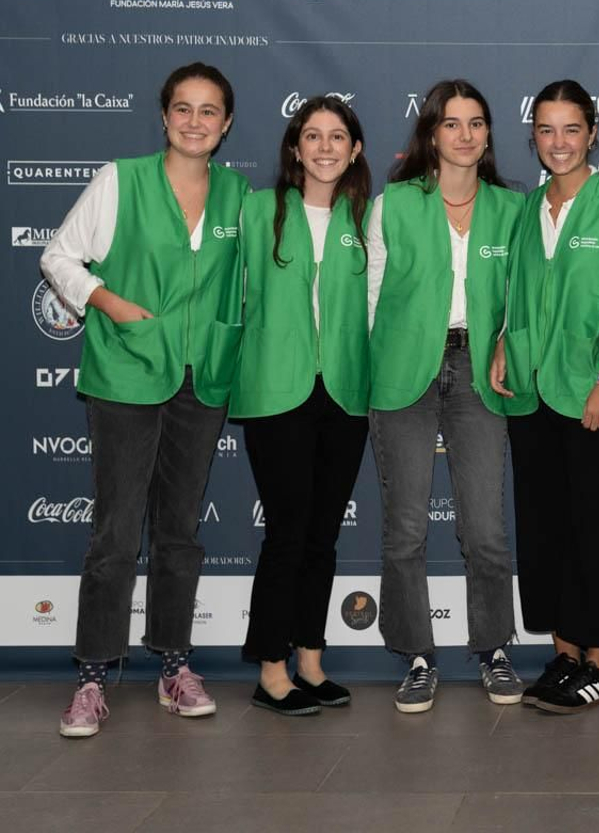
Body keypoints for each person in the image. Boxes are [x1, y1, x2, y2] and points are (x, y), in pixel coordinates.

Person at [45, 61, 248, 738]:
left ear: (226, 124)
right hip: (127, 374)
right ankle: (93, 675)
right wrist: (112, 303)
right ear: (164, 116)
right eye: (183, 108)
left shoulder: (238, 195)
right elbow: (60, 257)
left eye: (209, 110)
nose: (195, 121)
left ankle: (175, 666)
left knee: (179, 531)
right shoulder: (120, 179)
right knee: (115, 530)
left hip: (200, 380)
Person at [367, 79, 528, 714]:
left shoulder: (512, 209)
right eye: (452, 123)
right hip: (405, 371)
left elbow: (523, 296)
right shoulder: (395, 204)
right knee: (404, 527)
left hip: (480, 374)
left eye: (477, 123)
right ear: (431, 133)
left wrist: (509, 341)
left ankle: (493, 647)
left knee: (485, 527)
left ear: (489, 134)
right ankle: (415, 656)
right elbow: (372, 295)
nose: (465, 135)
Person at [492, 79, 599, 713]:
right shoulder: (523, 209)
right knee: (543, 527)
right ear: (533, 136)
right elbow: (516, 290)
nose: (559, 143)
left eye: (572, 130)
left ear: (593, 134)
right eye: (547, 130)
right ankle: (564, 656)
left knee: (596, 528)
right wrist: (505, 340)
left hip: (595, 394)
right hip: (531, 395)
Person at [232, 95, 372, 716]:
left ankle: (311, 660)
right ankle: (270, 668)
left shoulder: (366, 217)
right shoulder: (257, 210)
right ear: (295, 148)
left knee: (323, 535)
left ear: (355, 149)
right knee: (287, 532)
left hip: (344, 392)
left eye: (336, 136)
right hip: (275, 392)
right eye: (311, 136)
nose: (324, 147)